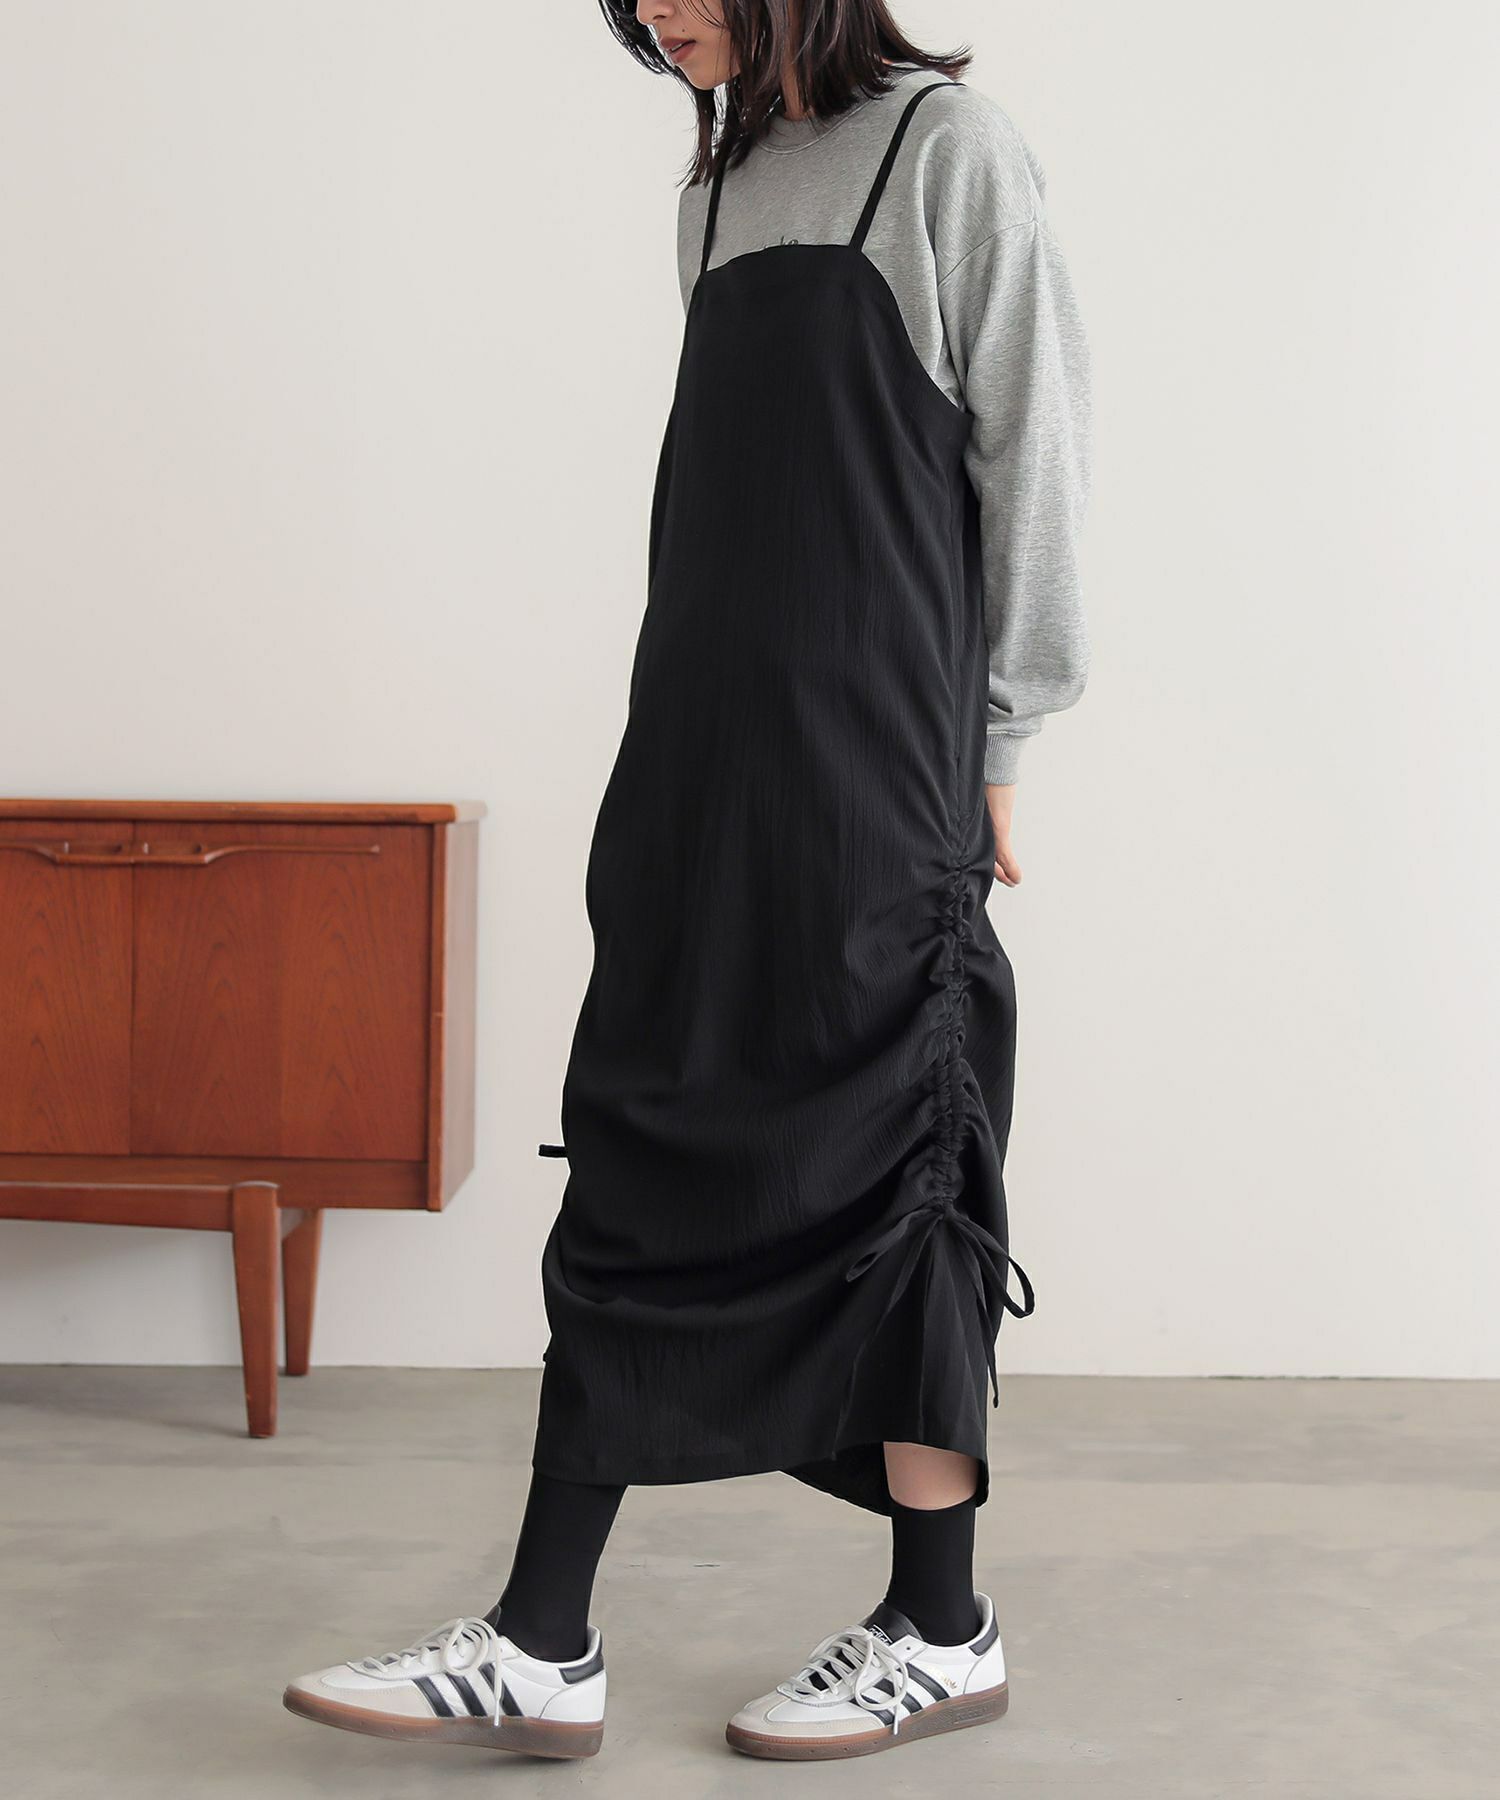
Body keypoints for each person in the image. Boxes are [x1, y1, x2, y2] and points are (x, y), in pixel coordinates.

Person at [283, 0, 1090, 1764]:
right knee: (645, 1128)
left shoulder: (943, 154)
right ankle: (541, 1641)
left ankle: (941, 1623)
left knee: (902, 1150)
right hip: (701, 754)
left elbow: (1033, 451)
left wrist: (1006, 738)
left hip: (880, 763)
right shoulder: (717, 187)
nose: (653, 8)